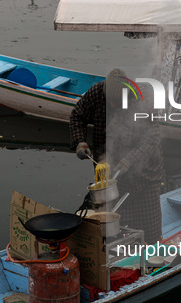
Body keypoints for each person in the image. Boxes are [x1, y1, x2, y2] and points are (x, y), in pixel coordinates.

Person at [70, 69, 164, 244]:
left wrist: (129, 160)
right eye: (109, 102)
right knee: (116, 222)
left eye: (116, 102)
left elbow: (152, 138)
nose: (112, 106)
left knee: (150, 226)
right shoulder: (97, 92)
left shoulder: (145, 99)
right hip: (108, 169)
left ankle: (152, 252)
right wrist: (79, 142)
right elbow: (77, 115)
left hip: (146, 171)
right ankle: (121, 255)